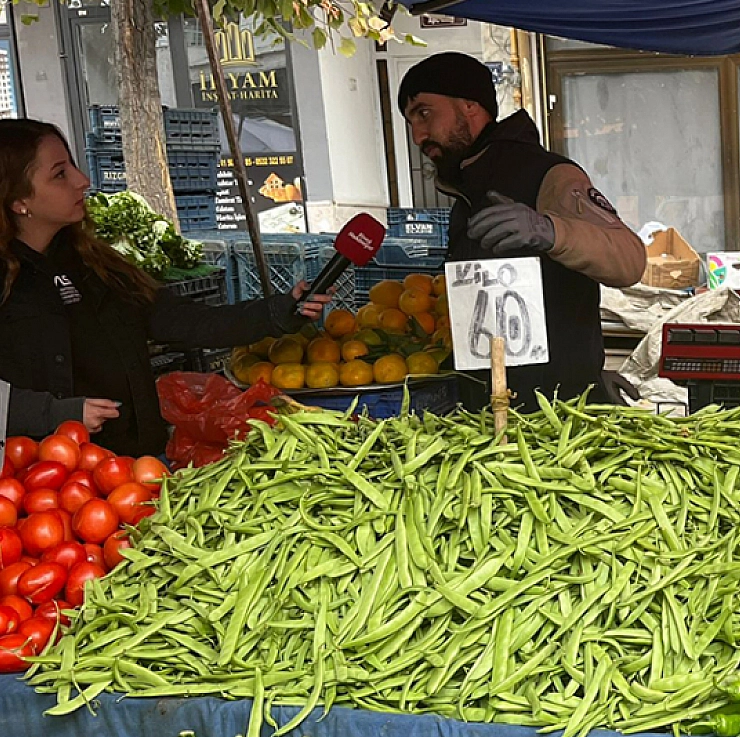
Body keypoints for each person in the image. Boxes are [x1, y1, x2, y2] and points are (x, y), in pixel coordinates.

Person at [0, 119, 332, 456]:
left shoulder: (96, 264)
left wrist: (280, 310)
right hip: (47, 483)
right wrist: (58, 414)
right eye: (60, 174)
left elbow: (188, 321)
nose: (82, 181)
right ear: (18, 200)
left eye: (72, 165)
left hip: (135, 467)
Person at [398, 52, 647, 408]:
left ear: (470, 105)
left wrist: (551, 232)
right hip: (487, 412)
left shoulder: (549, 175)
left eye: (424, 113)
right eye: (410, 122)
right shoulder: (465, 194)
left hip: (556, 412)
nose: (418, 135)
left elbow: (629, 259)